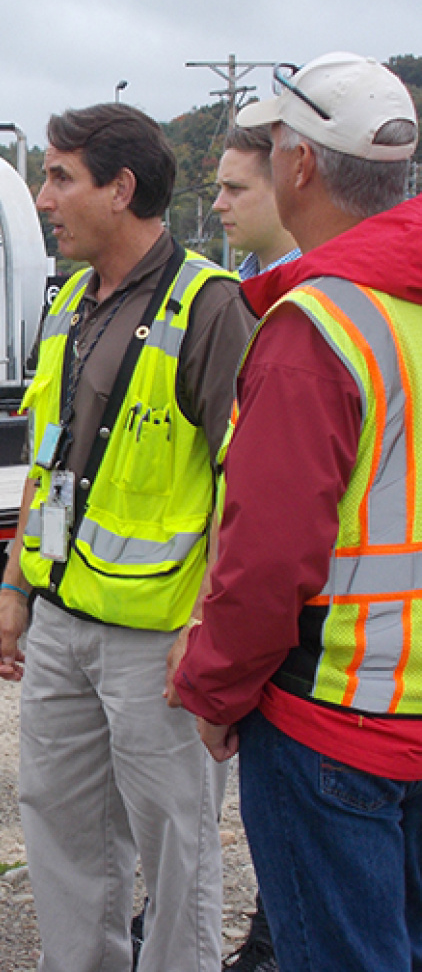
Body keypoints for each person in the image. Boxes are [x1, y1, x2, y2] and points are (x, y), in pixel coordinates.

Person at [0, 104, 254, 972]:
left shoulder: (212, 309)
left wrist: (207, 631)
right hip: (61, 621)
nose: (43, 194)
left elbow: (244, 486)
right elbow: (48, 463)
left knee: (178, 848)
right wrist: (15, 591)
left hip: (160, 643)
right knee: (61, 831)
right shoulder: (69, 303)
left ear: (121, 187)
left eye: (61, 175)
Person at [173, 52, 422, 972]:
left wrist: (215, 689)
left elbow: (268, 557)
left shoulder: (318, 329)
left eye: (275, 140)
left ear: (301, 164)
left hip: (333, 721)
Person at [209, 122, 301, 972]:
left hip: (317, 626)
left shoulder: (310, 310)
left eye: (239, 188)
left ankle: (274, 936)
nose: (221, 203)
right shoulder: (249, 288)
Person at [214, 125, 301, 282]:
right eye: (220, 189)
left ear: (285, 188)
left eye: (234, 188)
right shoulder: (231, 290)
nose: (218, 205)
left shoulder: (325, 291)